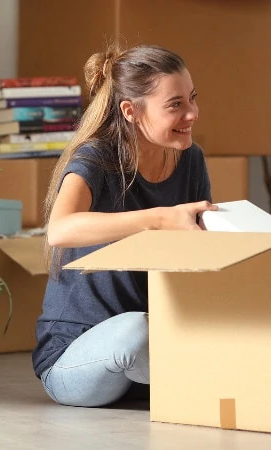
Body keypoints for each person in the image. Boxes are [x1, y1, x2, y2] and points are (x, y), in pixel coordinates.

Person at [32, 43, 217, 407]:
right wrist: (161, 219)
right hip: (78, 359)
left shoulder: (190, 160)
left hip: (152, 355)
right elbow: (60, 229)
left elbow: (201, 248)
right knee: (137, 331)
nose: (192, 113)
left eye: (192, 99)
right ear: (131, 111)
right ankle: (211, 386)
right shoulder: (97, 156)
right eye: (175, 104)